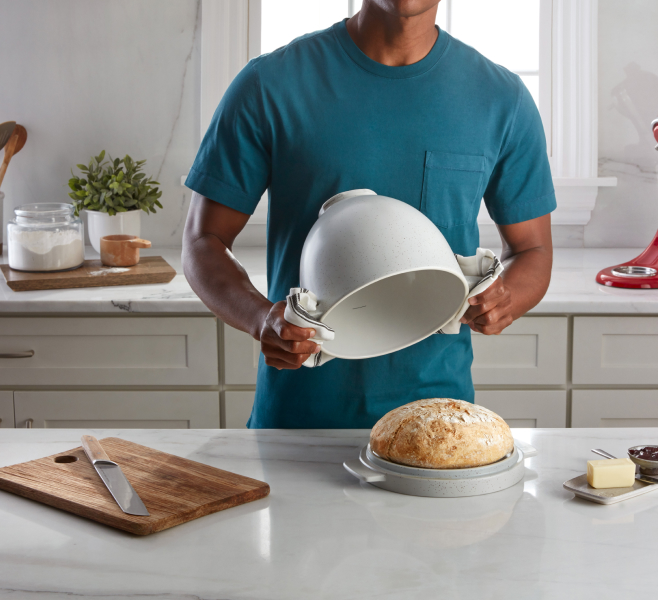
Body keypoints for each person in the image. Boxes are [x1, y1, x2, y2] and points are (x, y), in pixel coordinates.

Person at [182, 0, 555, 428]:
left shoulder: (502, 99)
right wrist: (259, 317)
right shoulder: (269, 84)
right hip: (298, 417)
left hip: (438, 424)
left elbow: (532, 250)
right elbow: (203, 239)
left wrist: (505, 298)